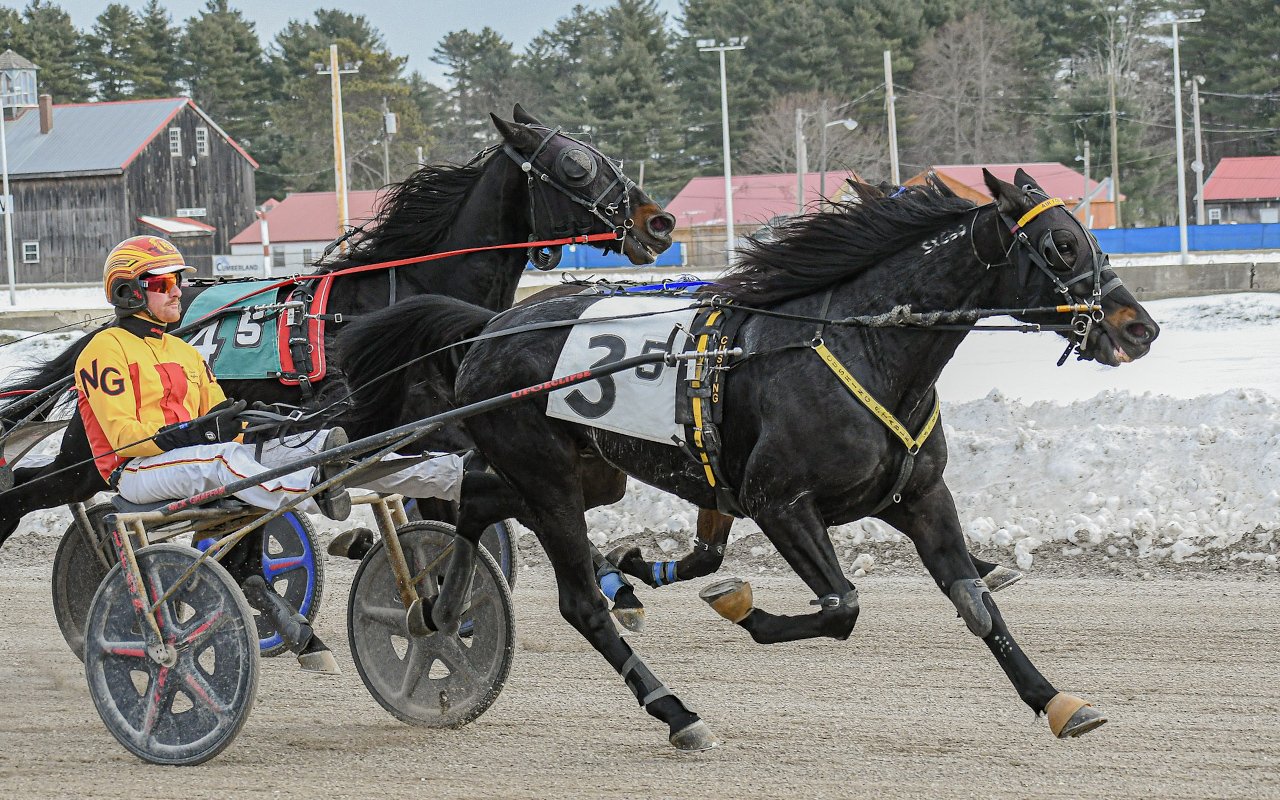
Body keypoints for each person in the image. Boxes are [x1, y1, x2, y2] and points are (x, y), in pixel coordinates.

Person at [75, 235, 464, 521]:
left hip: (194, 458)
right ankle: (317, 491)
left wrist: (253, 424)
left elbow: (219, 416)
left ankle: (456, 476)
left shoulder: (184, 350)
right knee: (225, 459)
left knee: (312, 444)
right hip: (137, 472)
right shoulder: (105, 349)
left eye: (179, 280)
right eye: (162, 284)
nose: (178, 291)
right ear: (128, 293)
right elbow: (125, 439)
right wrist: (204, 433)